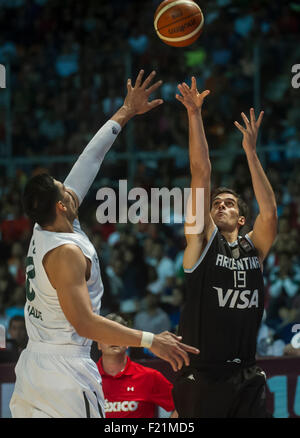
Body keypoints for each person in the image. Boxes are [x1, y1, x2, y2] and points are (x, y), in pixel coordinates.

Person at [9, 70, 199, 418]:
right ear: (61, 205)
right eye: (63, 187)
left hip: (34, 367)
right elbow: (85, 324)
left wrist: (125, 111)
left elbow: (89, 161)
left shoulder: (45, 226)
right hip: (64, 372)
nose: (69, 186)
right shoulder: (65, 253)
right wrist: (149, 340)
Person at [171, 77, 278, 418]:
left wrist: (250, 152)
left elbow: (271, 213)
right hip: (202, 375)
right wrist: (193, 114)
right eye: (216, 204)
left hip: (247, 373)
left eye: (229, 203)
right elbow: (200, 172)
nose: (220, 206)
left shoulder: (254, 248)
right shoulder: (201, 243)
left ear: (242, 218)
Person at [97, 313, 175, 418]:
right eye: (107, 335)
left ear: (129, 342)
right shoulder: (87, 377)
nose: (113, 339)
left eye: (119, 334)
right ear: (98, 344)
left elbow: (184, 406)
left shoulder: (150, 377)